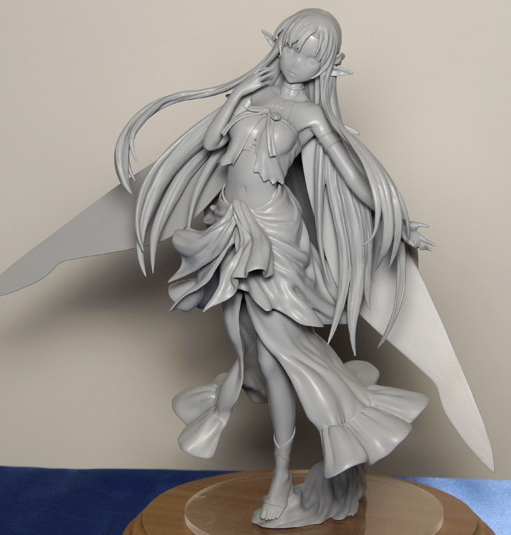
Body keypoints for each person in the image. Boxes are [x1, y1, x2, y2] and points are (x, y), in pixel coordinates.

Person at [114, 8, 434, 527]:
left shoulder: (311, 117)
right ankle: (240, 399)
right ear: (278, 44)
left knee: (279, 353)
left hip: (276, 235)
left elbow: (351, 174)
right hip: (229, 226)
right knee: (249, 347)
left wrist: (394, 219)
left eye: (312, 55)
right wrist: (237, 97)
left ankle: (283, 474)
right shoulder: (253, 96)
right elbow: (212, 144)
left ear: (326, 65)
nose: (297, 60)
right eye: (292, 46)